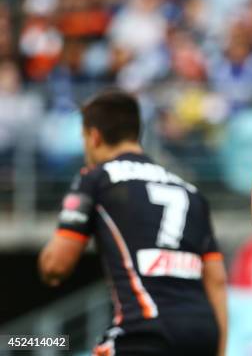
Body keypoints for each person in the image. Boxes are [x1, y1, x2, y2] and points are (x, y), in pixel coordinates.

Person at [39, 91, 227, 356]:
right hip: (202, 335)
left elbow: (55, 267)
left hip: (144, 332)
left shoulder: (96, 179)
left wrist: (73, 206)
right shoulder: (190, 192)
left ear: (94, 137)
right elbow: (216, 281)